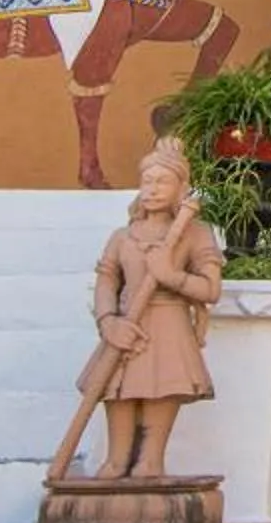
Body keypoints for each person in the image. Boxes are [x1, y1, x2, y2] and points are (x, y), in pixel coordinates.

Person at [81, 135, 225, 478]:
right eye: (147, 181)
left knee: (162, 387)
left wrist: (171, 276)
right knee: (118, 388)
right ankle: (116, 459)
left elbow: (210, 289)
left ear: (180, 187)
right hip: (126, 322)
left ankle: (150, 459)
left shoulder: (194, 233)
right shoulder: (123, 236)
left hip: (168, 322)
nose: (153, 189)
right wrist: (107, 321)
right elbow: (107, 280)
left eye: (162, 181)